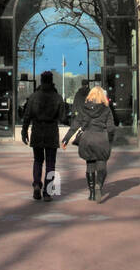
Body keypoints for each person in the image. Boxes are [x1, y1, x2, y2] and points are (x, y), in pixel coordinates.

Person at [62, 85, 117, 202]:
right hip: (101, 139)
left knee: (90, 165)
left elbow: (75, 125)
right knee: (102, 165)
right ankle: (99, 185)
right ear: (103, 96)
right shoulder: (107, 110)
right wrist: (110, 140)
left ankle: (91, 193)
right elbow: (111, 129)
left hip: (87, 139)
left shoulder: (83, 109)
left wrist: (66, 139)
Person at [21, 71, 66, 201]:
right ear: (51, 81)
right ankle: (47, 192)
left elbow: (27, 116)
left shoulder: (34, 96)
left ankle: (36, 184)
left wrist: (24, 131)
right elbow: (63, 118)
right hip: (51, 131)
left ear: (41, 81)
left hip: (37, 131)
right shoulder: (57, 97)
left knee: (38, 160)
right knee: (51, 163)